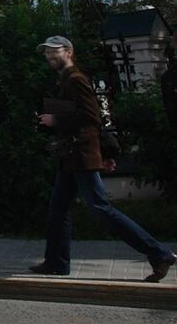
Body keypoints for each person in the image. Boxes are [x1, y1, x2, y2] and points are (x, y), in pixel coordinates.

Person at [31, 36, 176, 282]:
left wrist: (56, 120)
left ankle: (159, 253)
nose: (49, 56)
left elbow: (92, 118)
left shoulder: (76, 80)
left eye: (54, 52)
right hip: (71, 157)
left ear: (69, 52)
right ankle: (56, 262)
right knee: (58, 210)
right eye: (46, 53)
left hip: (81, 155)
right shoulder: (66, 80)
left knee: (101, 209)